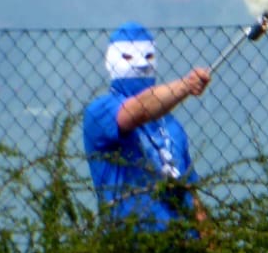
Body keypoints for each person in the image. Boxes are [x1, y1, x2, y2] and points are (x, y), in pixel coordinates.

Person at [82, 21, 211, 233]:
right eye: (128, 56)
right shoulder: (100, 111)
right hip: (131, 243)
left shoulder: (172, 125)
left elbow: (190, 193)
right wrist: (186, 85)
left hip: (183, 242)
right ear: (110, 60)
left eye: (148, 56)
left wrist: (211, 243)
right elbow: (137, 111)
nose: (141, 64)